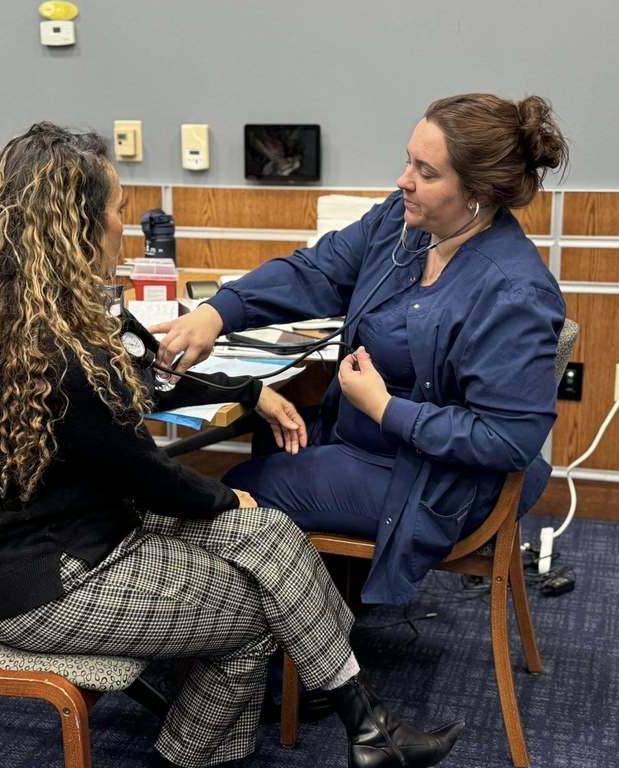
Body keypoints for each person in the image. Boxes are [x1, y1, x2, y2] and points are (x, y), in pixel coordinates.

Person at [0, 122, 464, 768]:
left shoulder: (44, 311)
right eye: (117, 211)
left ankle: (369, 728)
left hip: (78, 530)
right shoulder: (59, 353)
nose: (124, 226)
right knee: (257, 613)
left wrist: (248, 394)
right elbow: (146, 474)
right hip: (42, 581)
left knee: (268, 534)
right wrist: (222, 498)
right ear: (78, 227)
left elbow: (147, 380)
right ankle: (196, 757)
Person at [151, 94, 569, 606]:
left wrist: (386, 409)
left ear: (478, 192)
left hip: (433, 479)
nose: (403, 181)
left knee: (235, 491)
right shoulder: (404, 222)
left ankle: (290, 648)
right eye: (407, 160)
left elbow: (506, 439)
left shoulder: (514, 292)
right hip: (371, 442)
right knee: (272, 440)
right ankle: (317, 621)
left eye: (425, 171)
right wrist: (217, 312)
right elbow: (317, 271)